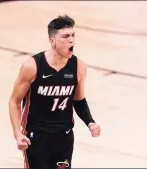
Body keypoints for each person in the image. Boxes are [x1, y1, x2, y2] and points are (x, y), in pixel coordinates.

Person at [9, 15, 101, 169]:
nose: (71, 40)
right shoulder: (32, 66)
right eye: (65, 36)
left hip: (63, 136)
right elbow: (14, 101)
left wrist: (90, 121)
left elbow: (79, 100)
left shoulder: (78, 67)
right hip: (36, 136)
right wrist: (18, 134)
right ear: (52, 41)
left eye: (73, 35)